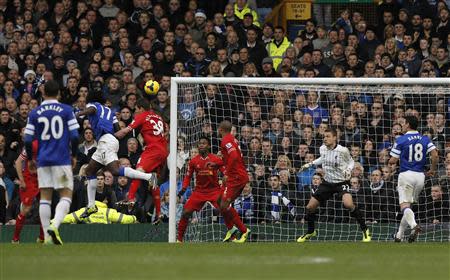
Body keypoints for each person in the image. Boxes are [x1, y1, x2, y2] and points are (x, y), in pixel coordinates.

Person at [77, 92, 155, 219]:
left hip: (106, 140)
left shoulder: (93, 105)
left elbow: (92, 109)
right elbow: (117, 128)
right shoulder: (109, 111)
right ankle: (91, 205)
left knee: (115, 170)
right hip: (108, 140)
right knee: (89, 171)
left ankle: (148, 176)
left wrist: (79, 114)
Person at [24, 80, 80, 245]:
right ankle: (54, 226)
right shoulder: (66, 110)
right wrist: (74, 155)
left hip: (43, 160)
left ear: (43, 93)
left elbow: (27, 139)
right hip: (61, 159)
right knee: (66, 195)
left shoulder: (35, 112)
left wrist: (30, 158)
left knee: (45, 197)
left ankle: (47, 237)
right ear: (59, 94)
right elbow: (75, 136)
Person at [297, 127, 371, 242]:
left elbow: (351, 161)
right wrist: (310, 164)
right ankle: (311, 231)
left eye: (328, 137)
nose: (325, 139)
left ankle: (365, 230)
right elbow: (323, 158)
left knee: (348, 204)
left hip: (341, 182)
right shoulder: (322, 148)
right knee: (310, 207)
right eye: (324, 137)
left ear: (335, 138)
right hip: (327, 182)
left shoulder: (343, 150)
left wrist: (349, 169)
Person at [115, 98, 169, 223]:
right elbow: (166, 130)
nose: (135, 112)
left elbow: (126, 130)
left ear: (140, 108)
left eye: (136, 110)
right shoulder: (158, 117)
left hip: (153, 149)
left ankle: (131, 198)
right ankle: (159, 213)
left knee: (138, 171)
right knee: (152, 178)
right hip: (163, 151)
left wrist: (114, 135)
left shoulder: (143, 116)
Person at [389, 115, 438, 243]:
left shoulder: (401, 139)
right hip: (420, 176)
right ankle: (399, 235)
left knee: (404, 206)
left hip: (406, 175)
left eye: (404, 123)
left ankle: (414, 226)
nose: (403, 125)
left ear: (408, 124)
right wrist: (432, 169)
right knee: (408, 207)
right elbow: (435, 154)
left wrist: (391, 160)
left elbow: (393, 160)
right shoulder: (425, 139)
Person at [176, 136, 226, 242]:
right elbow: (188, 176)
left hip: (214, 191)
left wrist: (225, 184)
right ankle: (179, 239)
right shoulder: (194, 161)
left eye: (204, 143)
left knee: (226, 210)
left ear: (209, 146)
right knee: (185, 212)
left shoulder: (215, 159)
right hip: (199, 192)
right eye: (200, 143)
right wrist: (184, 188)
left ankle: (234, 235)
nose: (201, 145)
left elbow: (225, 172)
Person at [217, 120, 251, 243]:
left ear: (220, 129)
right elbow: (229, 157)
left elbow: (234, 156)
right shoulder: (232, 139)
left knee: (224, 205)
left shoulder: (226, 140)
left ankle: (243, 230)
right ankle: (232, 229)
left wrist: (226, 173)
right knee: (219, 201)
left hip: (236, 177)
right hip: (238, 175)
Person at [12, 140, 44, 243]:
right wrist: (21, 180)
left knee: (45, 208)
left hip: (43, 179)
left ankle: (42, 238)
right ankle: (15, 239)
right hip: (29, 179)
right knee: (26, 209)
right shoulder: (32, 145)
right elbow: (18, 162)